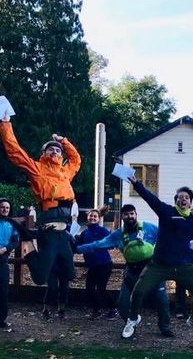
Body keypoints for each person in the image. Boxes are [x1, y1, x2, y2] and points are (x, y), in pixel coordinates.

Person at [123, 179, 193, 339]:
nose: (183, 199)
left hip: (183, 266)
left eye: (186, 197)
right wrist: (137, 184)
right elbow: (150, 198)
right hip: (159, 265)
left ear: (190, 203)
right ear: (176, 201)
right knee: (138, 291)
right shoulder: (166, 211)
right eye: (180, 197)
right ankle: (133, 319)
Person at [0, 114, 80, 296]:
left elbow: (76, 160)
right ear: (44, 154)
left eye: (58, 150)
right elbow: (15, 152)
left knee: (71, 274)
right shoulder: (37, 168)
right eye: (50, 149)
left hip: (64, 233)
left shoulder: (66, 172)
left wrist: (64, 141)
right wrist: (5, 124)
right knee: (39, 278)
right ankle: (28, 249)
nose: (55, 152)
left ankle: (53, 268)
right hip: (49, 231)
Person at [77, 204, 173, 336]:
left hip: (152, 270)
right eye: (126, 214)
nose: (129, 216)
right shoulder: (118, 234)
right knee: (122, 304)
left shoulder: (149, 227)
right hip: (132, 272)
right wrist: (77, 249)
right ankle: (131, 322)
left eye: (132, 213)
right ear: (122, 217)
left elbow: (167, 237)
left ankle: (165, 327)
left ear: (136, 215)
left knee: (162, 301)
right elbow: (98, 244)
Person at [77, 207, 115, 319]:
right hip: (92, 266)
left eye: (95, 216)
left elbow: (112, 244)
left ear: (99, 219)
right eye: (91, 216)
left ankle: (113, 309)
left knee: (101, 289)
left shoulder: (103, 231)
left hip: (104, 264)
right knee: (89, 289)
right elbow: (78, 247)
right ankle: (96, 310)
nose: (92, 218)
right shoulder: (84, 233)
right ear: (87, 217)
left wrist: (99, 246)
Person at [0, 198, 20, 330]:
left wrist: (5, 249)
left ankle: (1, 319)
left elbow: (15, 241)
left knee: (3, 290)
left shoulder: (11, 224)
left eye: (7, 208)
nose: (5, 210)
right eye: (2, 207)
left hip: (2, 259)